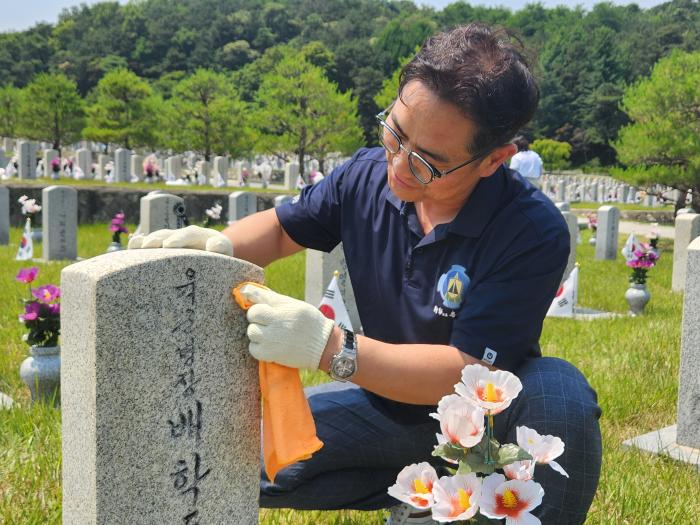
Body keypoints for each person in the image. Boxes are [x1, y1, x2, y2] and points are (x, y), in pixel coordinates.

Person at [129, 24, 601, 525]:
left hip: (485, 426)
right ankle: (414, 496)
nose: (397, 165)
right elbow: (283, 229)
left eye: (427, 162)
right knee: (227, 451)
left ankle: (461, 498)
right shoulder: (366, 175)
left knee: (561, 394)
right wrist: (219, 245)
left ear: (493, 160)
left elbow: (464, 370)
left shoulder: (529, 230)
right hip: (385, 404)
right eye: (395, 132)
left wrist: (331, 348)